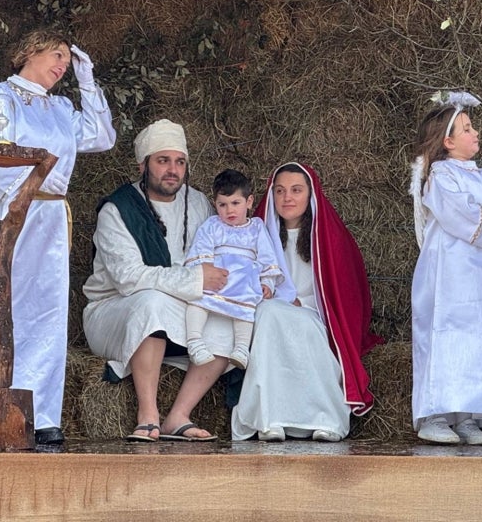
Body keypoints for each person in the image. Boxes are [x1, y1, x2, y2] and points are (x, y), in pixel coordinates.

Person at [0, 27, 116, 447]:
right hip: (7, 215)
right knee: (2, 306)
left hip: (51, 218)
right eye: (57, 56)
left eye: (67, 63)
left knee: (47, 314)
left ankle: (41, 413)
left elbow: (102, 137)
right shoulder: (1, 97)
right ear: (30, 51)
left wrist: (88, 83)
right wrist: (19, 195)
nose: (62, 66)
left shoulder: (61, 108)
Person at [82, 119, 231, 442]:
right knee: (152, 301)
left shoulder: (199, 203)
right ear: (143, 164)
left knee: (231, 321)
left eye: (179, 162)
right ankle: (148, 413)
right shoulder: (118, 210)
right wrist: (195, 280)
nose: (172, 170)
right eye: (163, 161)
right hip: (114, 312)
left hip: (183, 309)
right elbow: (129, 279)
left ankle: (178, 415)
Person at [231, 162, 380, 442]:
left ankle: (325, 418)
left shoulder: (331, 239)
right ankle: (270, 418)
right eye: (280, 191)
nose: (287, 198)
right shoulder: (255, 236)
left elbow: (347, 295)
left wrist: (304, 302)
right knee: (270, 312)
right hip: (269, 314)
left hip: (318, 318)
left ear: (310, 195)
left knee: (283, 318)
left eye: (296, 190)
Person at [409, 91, 482, 445]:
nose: (475, 133)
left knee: (480, 340)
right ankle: (435, 415)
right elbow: (463, 216)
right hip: (450, 275)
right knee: (447, 335)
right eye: (467, 129)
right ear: (448, 141)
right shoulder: (440, 176)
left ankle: (468, 415)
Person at [184, 169, 287, 369]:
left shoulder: (257, 227)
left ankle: (241, 348)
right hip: (218, 273)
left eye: (235, 203)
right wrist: (205, 269)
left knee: (248, 303)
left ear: (249, 202)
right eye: (222, 205)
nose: (229, 210)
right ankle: (194, 341)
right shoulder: (213, 224)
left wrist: (267, 282)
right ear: (215, 204)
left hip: (245, 278)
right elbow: (202, 247)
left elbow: (267, 256)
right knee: (198, 298)